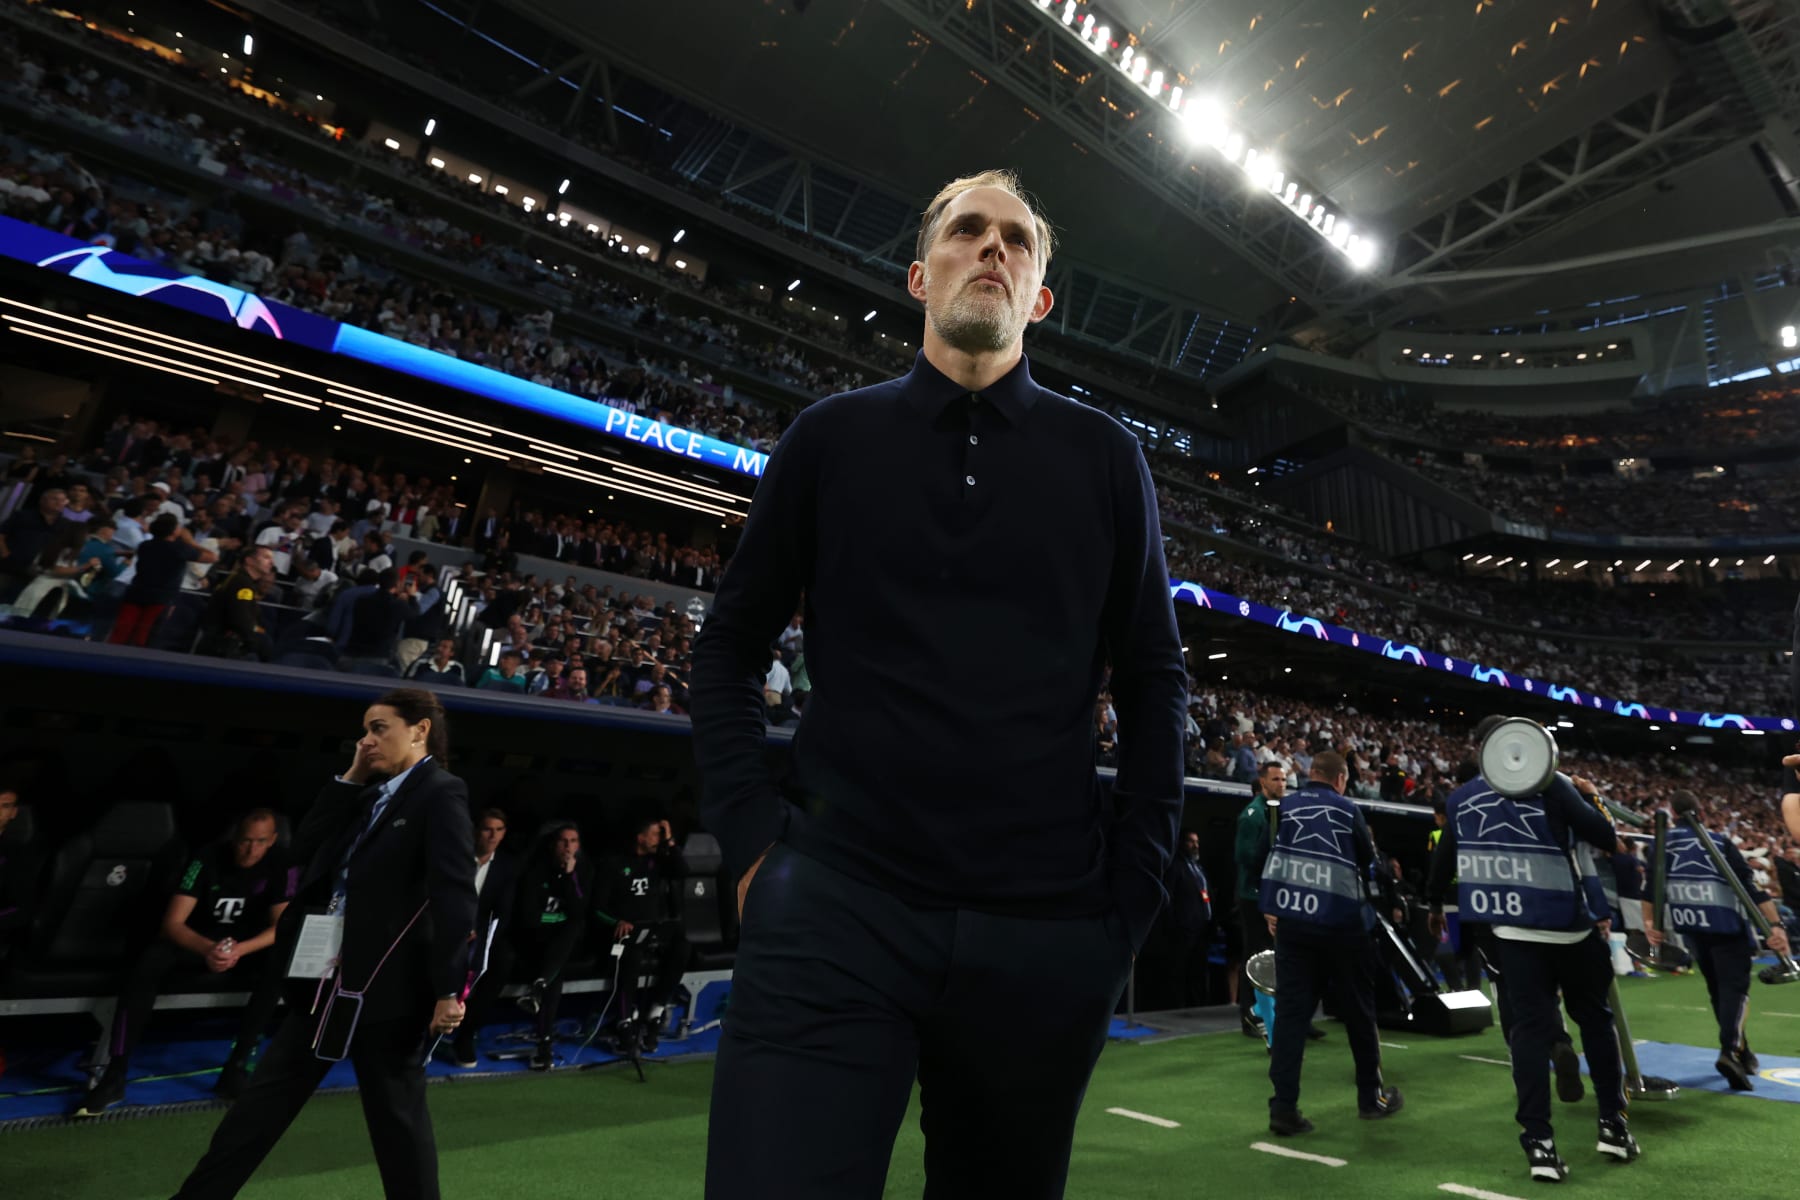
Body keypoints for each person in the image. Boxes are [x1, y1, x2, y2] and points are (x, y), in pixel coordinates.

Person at [690, 169, 1186, 1198]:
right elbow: (729, 642)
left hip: (1044, 928)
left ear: (1039, 296)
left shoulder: (1106, 457)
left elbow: (1154, 678)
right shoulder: (830, 438)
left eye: (1016, 239)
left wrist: (1131, 895)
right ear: (923, 275)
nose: (992, 248)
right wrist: (751, 845)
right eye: (968, 231)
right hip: (835, 905)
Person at [168, 690, 476, 1200]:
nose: (367, 739)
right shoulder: (365, 793)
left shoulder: (442, 792)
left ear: (419, 730)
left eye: (379, 728)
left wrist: (449, 987)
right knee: (255, 1115)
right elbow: (304, 850)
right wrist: (353, 774)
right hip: (323, 984)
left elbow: (453, 895)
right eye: (364, 729)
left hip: (389, 996)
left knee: (399, 1134)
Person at [1428, 722, 1637, 1183]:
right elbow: (1605, 835)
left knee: (1526, 1035)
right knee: (1597, 1022)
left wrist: (1433, 903)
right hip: (1570, 930)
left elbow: (1443, 865)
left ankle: (1540, 1146)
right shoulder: (1554, 783)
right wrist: (1593, 794)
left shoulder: (1461, 799)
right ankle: (1612, 1126)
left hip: (1511, 935)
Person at [77, 811, 295, 1113]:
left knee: (282, 960)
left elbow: (281, 926)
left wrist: (238, 951)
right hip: (197, 941)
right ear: (235, 837)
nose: (251, 849)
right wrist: (209, 949)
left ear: (272, 840)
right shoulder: (206, 858)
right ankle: (115, 1073)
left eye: (260, 842)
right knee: (148, 962)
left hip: (243, 949)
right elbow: (173, 922)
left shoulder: (282, 864)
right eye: (245, 840)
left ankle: (237, 1066)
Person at [1260, 751, 1403, 1135]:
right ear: (1340, 779)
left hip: (1292, 922)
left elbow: (1269, 856)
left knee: (1291, 1017)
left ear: (1311, 774)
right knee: (1359, 1011)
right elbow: (1366, 860)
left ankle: (1284, 1108)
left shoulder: (1282, 807)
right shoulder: (1346, 809)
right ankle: (1370, 1099)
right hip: (1342, 925)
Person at [1646, 790, 1791, 1089]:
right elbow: (1751, 888)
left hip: (1691, 926)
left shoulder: (1661, 845)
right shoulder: (1719, 841)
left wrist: (1650, 925)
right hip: (1725, 925)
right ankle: (1730, 1050)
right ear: (1700, 810)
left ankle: (1742, 1049)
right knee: (1735, 991)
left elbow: (1649, 891)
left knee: (1718, 992)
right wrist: (1775, 925)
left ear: (1672, 813)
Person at [592, 816, 690, 1052]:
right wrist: (617, 921)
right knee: (632, 955)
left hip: (652, 929)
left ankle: (656, 1011)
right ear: (641, 838)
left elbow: (682, 871)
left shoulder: (657, 862)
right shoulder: (613, 863)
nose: (659, 840)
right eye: (656, 834)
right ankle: (625, 1021)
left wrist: (670, 840)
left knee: (682, 946)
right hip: (622, 932)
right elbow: (596, 907)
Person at [510, 823, 591, 1071]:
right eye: (563, 841)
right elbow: (529, 917)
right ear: (553, 845)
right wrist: (557, 919)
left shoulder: (582, 872)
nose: (568, 847)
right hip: (536, 941)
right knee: (556, 967)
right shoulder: (535, 872)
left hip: (563, 945)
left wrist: (569, 876)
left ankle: (540, 987)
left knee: (571, 931)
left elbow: (579, 912)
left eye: (573, 841)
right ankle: (544, 1044)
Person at [451, 808, 516, 1068]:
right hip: (446, 928)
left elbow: (503, 912)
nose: (493, 835)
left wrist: (479, 934)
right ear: (477, 831)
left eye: (499, 830)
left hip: (482, 935)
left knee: (503, 960)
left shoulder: (507, 867)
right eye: (488, 829)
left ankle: (466, 1036)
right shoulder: (456, 856)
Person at [1233, 761, 1283, 1038]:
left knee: (1277, 957)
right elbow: (1244, 857)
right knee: (1254, 956)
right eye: (1276, 779)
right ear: (1263, 782)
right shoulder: (1252, 815)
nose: (1281, 784)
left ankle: (1278, 1014)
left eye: (1284, 780)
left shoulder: (1277, 811)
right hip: (1253, 896)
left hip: (1273, 895)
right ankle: (1251, 1016)